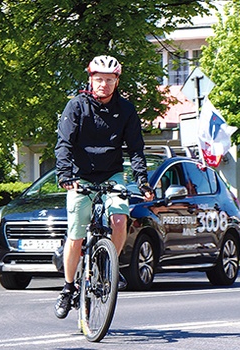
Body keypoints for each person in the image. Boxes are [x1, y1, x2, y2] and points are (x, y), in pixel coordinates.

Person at [53, 55, 154, 319]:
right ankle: (67, 287)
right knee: (76, 232)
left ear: (117, 81)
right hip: (80, 175)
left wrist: (142, 181)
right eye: (99, 79)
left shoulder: (126, 110)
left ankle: (110, 267)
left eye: (110, 80)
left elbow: (136, 150)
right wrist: (65, 175)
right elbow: (64, 143)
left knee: (120, 220)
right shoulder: (76, 106)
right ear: (91, 79)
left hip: (112, 174)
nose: (104, 85)